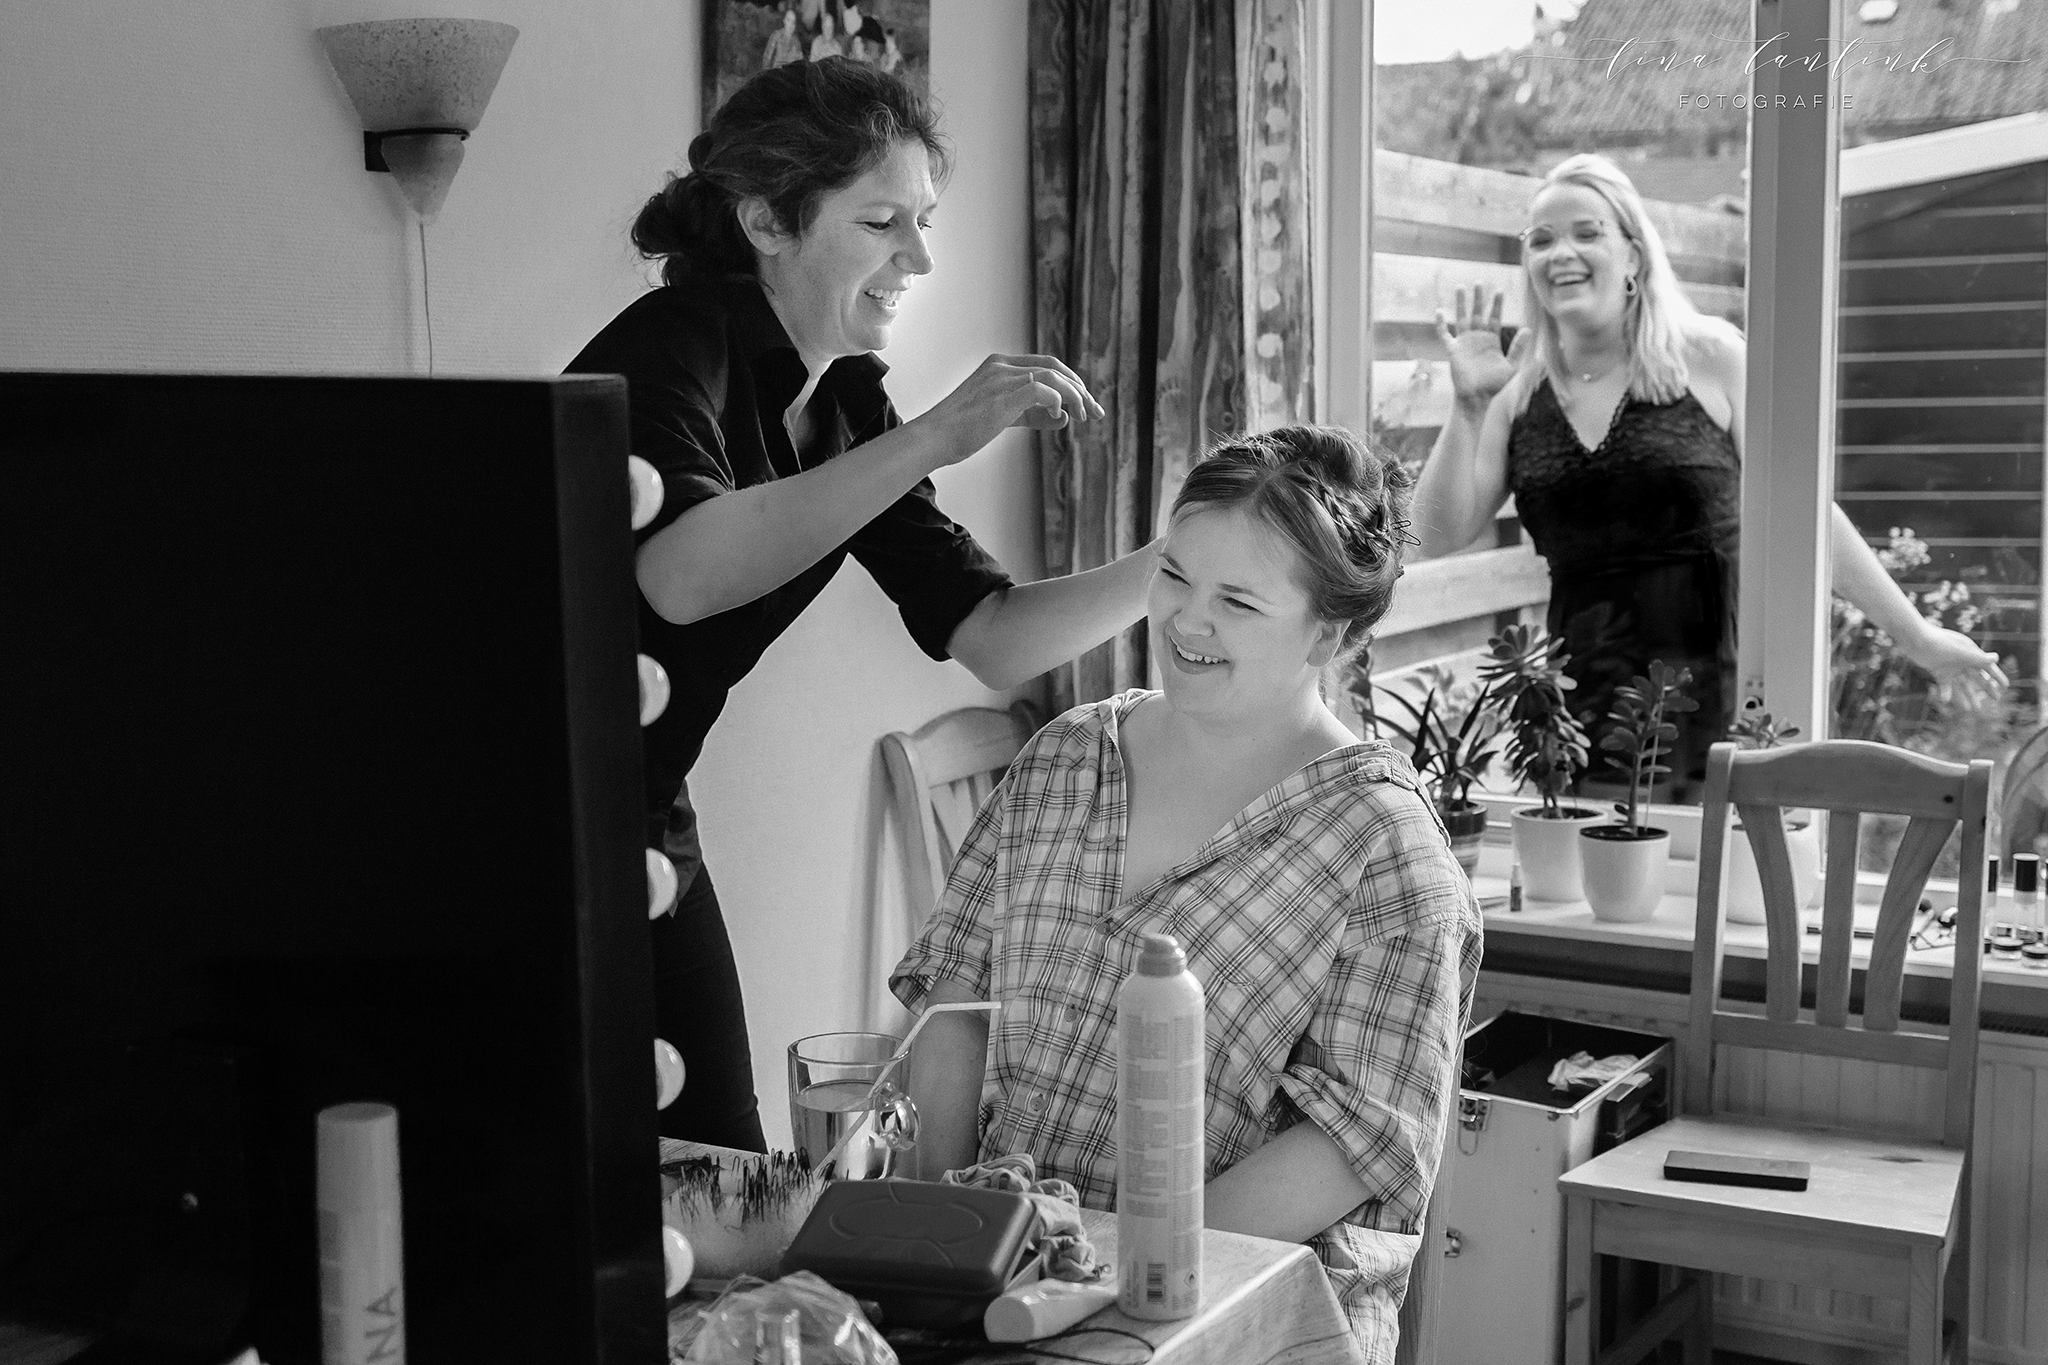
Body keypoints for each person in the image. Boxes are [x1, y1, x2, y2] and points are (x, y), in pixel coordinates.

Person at [567, 59, 1155, 1151]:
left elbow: (992, 635)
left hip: (639, 810)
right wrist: (936, 435)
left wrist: (1177, 566)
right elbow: (681, 575)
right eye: (882, 222)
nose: (917, 259)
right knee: (598, 1174)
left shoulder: (842, 404)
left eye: (922, 222)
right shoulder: (669, 344)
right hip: (510, 815)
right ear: (765, 222)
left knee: (723, 1163)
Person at [893, 426, 1482, 1362]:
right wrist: (945, 1243)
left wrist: (1114, 1271)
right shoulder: (1064, 757)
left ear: (1331, 631)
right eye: (1174, 575)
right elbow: (953, 1007)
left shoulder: (1386, 849)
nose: (1186, 621)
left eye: (1237, 601)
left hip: (1235, 1316)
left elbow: (1352, 1142)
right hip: (1001, 1289)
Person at [1412, 152, 2005, 791]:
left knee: (1732, 855)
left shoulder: (1712, 358)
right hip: (1582, 721)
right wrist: (1467, 408)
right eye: (1542, 240)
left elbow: (1803, 514)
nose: (1562, 253)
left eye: (1587, 233)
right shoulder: (1516, 392)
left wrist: (1915, 636)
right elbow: (1434, 534)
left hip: (1729, 700)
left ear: (1634, 255)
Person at [760, 3, 803, 70]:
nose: (791, 24)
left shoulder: (796, 42)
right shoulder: (776, 36)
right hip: (777, 73)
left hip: (791, 73)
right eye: (788, 20)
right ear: (784, 21)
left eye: (793, 22)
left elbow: (800, 62)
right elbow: (767, 59)